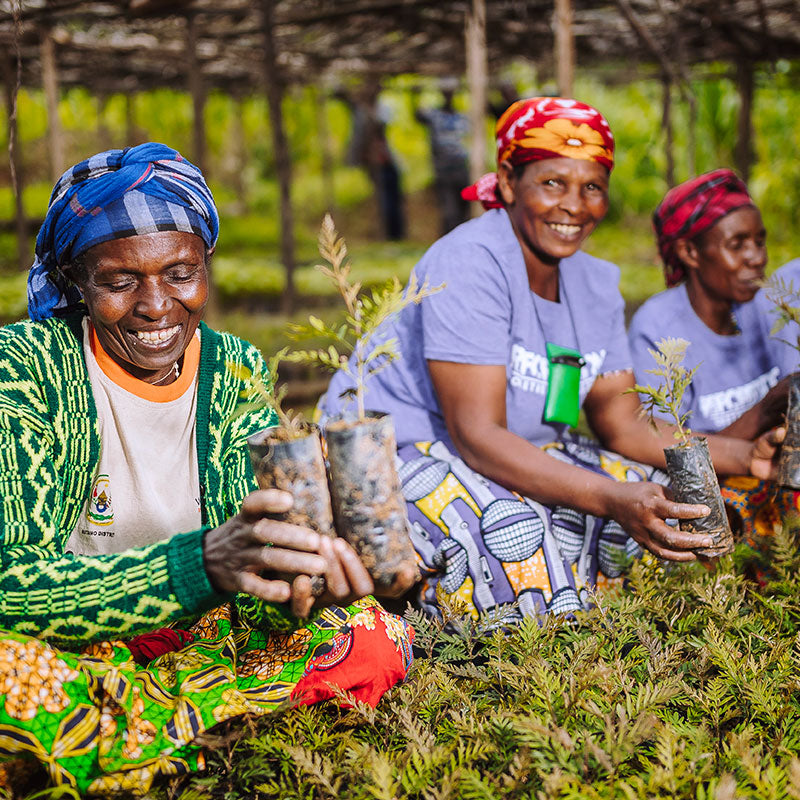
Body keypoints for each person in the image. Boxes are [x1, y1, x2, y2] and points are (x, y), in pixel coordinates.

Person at [0, 143, 415, 795]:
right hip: (72, 642)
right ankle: (196, 727)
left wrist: (301, 591)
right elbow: (11, 586)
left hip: (197, 638)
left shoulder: (234, 369)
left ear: (205, 267)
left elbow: (253, 580)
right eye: (119, 281)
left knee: (370, 636)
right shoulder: (26, 369)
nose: (156, 304)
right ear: (78, 282)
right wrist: (197, 565)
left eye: (180, 273)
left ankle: (124, 737)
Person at [318, 98, 782, 624]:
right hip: (392, 448)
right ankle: (485, 657)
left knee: (652, 496)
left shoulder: (596, 284)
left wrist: (747, 457)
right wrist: (611, 498)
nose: (574, 206)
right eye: (553, 183)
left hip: (509, 446)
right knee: (517, 530)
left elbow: (624, 423)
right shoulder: (470, 261)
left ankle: (601, 632)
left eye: (592, 187)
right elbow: (476, 435)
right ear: (510, 182)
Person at [629, 169, 790, 440]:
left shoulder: (770, 304)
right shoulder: (657, 330)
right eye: (737, 245)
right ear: (689, 252)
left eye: (760, 242)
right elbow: (673, 453)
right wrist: (766, 410)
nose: (757, 257)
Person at [338, 82, 406, 240]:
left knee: (394, 198)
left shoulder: (380, 110)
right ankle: (389, 234)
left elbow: (381, 123)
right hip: (375, 163)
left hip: (387, 161)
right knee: (385, 200)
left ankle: (396, 234)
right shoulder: (361, 112)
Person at [412, 81, 471, 234]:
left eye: (451, 92)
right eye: (446, 92)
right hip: (443, 168)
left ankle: (461, 237)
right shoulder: (434, 116)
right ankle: (449, 238)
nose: (448, 95)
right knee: (449, 210)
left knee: (464, 206)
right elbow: (417, 115)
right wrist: (415, 95)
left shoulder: (463, 117)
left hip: (461, 167)